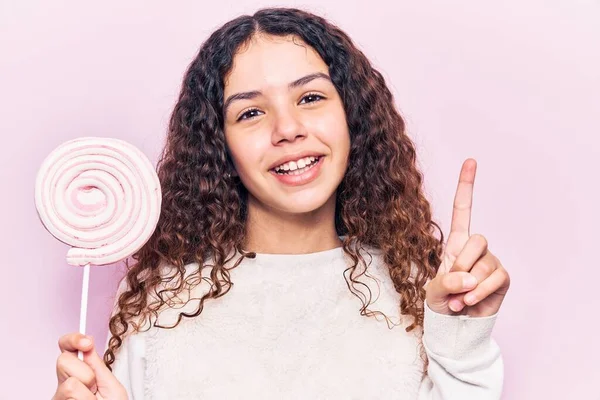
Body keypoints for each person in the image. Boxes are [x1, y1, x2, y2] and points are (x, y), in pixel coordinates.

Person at [52, 7, 510, 400]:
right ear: (219, 146)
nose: (287, 128)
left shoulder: (413, 289)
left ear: (351, 118)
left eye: (310, 97)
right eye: (251, 112)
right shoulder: (164, 300)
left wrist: (460, 340)